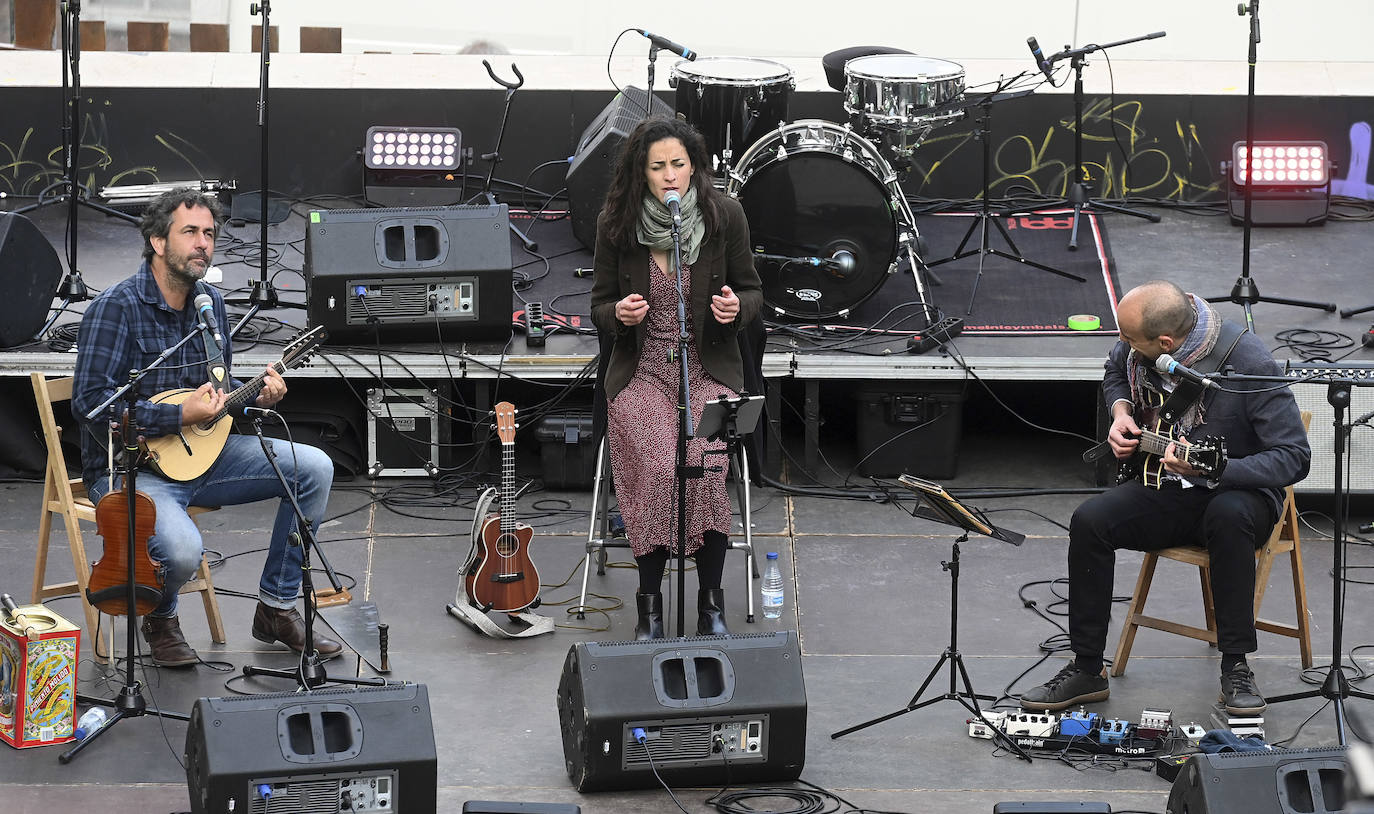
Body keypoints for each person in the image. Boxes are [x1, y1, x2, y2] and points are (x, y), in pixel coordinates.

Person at [72, 188, 341, 667]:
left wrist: (252, 395)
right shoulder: (116, 307)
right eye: (190, 232)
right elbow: (92, 408)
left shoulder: (209, 304)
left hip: (203, 456)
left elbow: (217, 392)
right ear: (158, 241)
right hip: (133, 469)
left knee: (314, 467)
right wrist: (178, 415)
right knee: (182, 549)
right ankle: (162, 619)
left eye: (209, 234)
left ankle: (276, 609)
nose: (203, 244)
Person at [1020, 280, 1310, 715]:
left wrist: (1217, 469)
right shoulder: (1138, 347)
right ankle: (1086, 668)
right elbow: (1115, 369)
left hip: (1241, 492)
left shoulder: (1248, 361)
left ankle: (1236, 667)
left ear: (1166, 342)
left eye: (1130, 337)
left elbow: (1294, 457)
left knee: (1228, 515)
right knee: (1090, 520)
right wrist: (1120, 413)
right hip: (1170, 488)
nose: (1122, 343)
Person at [589, 117, 763, 639]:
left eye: (678, 165)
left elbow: (753, 293)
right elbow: (596, 305)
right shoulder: (616, 224)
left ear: (694, 168)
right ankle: (650, 603)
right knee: (662, 467)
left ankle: (710, 601)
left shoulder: (724, 216)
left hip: (706, 369)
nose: (670, 177)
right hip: (642, 373)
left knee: (703, 463)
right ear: (641, 174)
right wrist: (618, 314)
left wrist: (737, 308)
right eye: (658, 167)